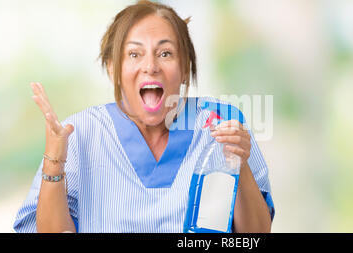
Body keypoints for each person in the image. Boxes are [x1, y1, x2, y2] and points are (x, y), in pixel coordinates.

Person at [14, 0, 274, 233]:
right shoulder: (79, 132)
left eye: (165, 53)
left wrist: (239, 162)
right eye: (134, 54)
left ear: (185, 67)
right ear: (112, 67)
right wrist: (55, 162)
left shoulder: (221, 122)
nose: (150, 66)